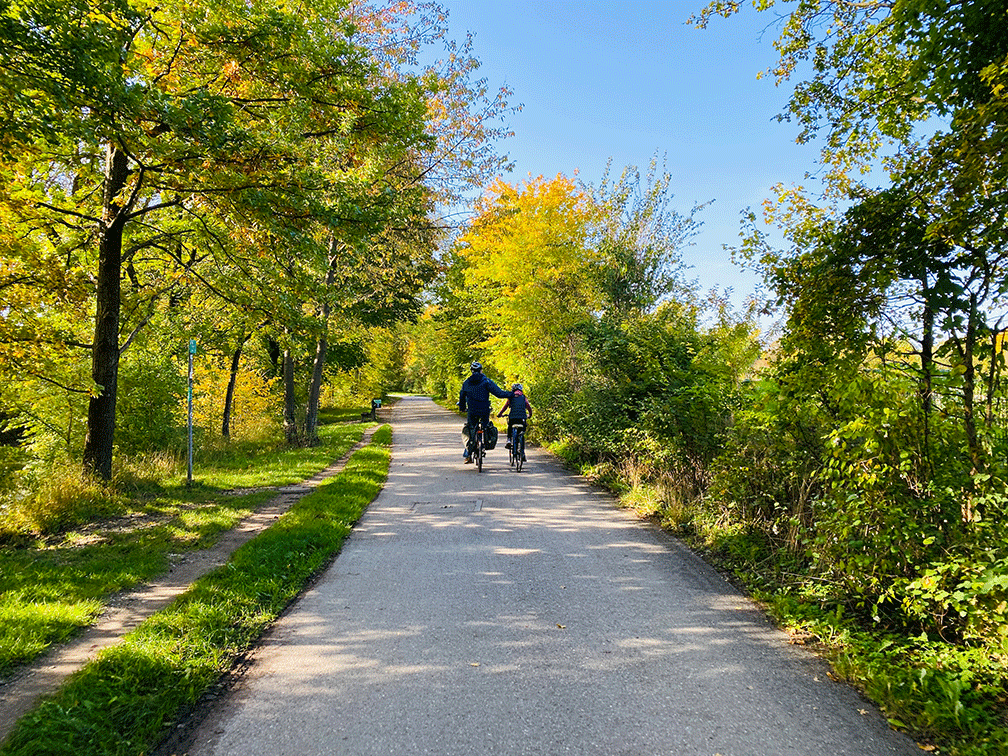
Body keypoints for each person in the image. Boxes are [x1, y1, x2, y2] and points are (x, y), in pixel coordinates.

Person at [458, 362, 513, 463]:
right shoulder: (486, 381)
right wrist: (512, 394)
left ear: (471, 371)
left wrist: (462, 407)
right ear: (481, 370)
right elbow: (499, 393)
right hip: (484, 410)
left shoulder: (467, 382)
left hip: (472, 410)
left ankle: (468, 454)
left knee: (471, 430)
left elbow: (462, 396)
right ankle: (484, 444)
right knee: (486, 427)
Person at [497, 383, 532, 459]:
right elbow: (528, 407)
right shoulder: (523, 397)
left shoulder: (511, 397)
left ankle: (509, 440)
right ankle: (522, 450)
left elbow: (505, 407)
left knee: (510, 426)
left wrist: (500, 414)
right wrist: (530, 414)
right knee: (522, 429)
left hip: (513, 417)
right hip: (522, 417)